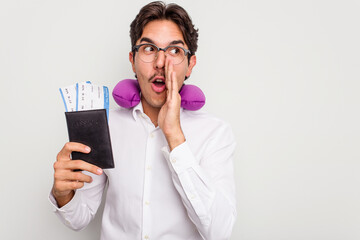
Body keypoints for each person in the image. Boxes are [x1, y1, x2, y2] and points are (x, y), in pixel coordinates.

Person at [50, 1, 237, 239]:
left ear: (190, 65)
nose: (160, 63)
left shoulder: (216, 133)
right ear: (132, 60)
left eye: (174, 50)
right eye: (149, 49)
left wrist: (175, 138)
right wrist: (63, 193)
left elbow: (219, 232)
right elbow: (79, 218)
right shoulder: (107, 126)